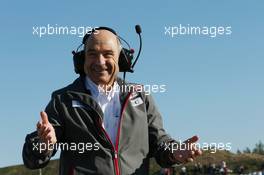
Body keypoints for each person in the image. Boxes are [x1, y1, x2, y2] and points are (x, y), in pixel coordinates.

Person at [22, 27, 202, 175]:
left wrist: (175, 152)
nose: (100, 62)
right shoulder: (63, 100)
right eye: (92, 54)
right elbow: (32, 160)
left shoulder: (140, 96)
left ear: (121, 59)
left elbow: (159, 144)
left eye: (108, 54)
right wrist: (43, 143)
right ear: (82, 58)